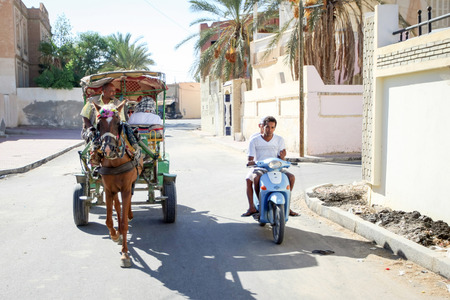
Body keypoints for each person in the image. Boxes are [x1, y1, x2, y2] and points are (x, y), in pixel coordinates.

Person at [242, 116, 299, 217]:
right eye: (267, 127)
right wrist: (251, 162)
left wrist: (283, 157)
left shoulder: (279, 139)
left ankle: (287, 206)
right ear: (262, 127)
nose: (270, 130)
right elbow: (250, 158)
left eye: (272, 127)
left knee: (291, 177)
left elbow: (282, 158)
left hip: (276, 167)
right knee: (254, 178)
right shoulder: (254, 140)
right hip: (260, 167)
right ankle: (255, 206)